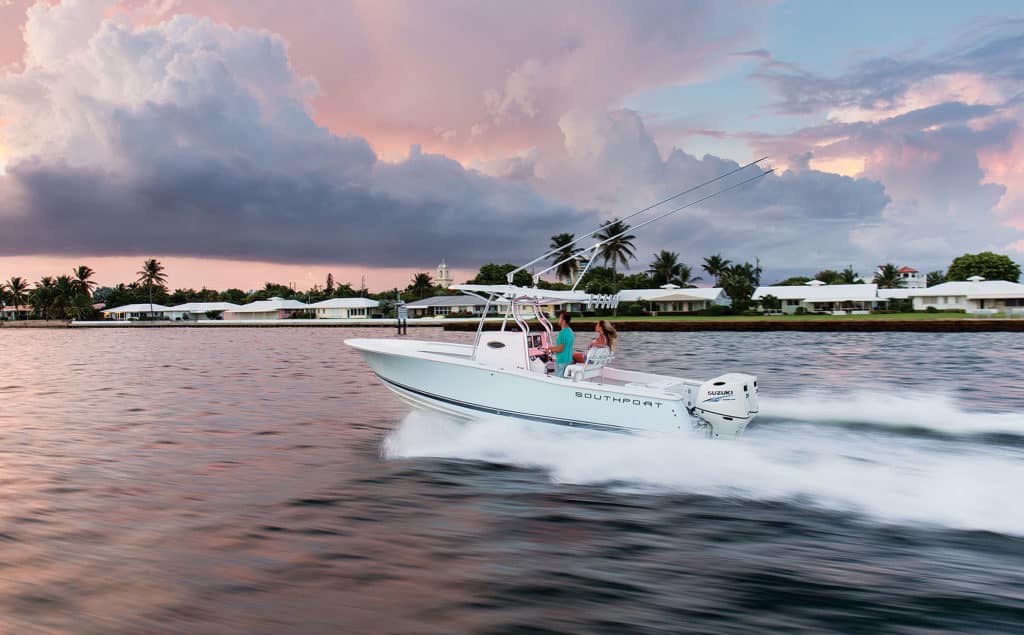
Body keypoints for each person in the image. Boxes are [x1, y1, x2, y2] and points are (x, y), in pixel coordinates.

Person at [547, 311, 575, 378]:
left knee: (559, 380)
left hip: (561, 361)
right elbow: (564, 346)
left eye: (559, 318)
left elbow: (560, 349)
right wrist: (551, 348)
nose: (558, 320)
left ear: (563, 321)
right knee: (567, 380)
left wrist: (550, 350)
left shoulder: (562, 333)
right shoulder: (570, 331)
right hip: (569, 360)